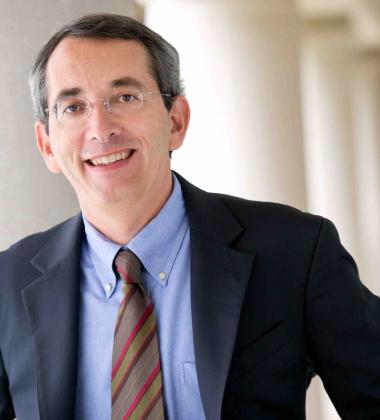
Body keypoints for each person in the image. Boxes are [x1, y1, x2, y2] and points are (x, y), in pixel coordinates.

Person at [0, 13, 379, 420]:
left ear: (176, 120)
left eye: (125, 97)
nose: (100, 128)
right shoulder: (9, 282)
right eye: (73, 106)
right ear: (47, 145)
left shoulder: (295, 250)